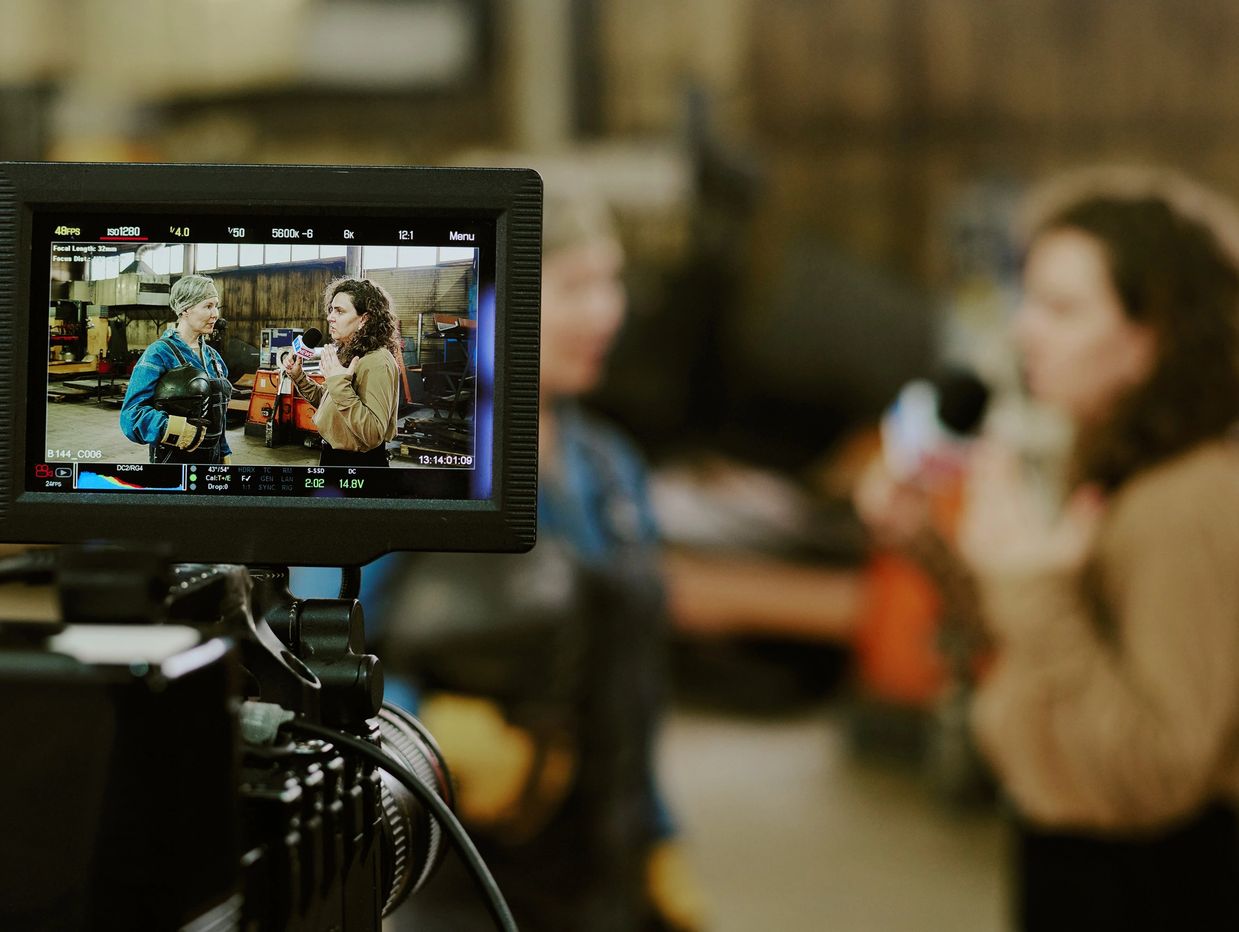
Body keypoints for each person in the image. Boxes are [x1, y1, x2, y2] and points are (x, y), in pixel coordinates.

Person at [377, 189, 703, 932]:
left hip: (599, 879)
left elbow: (634, 678)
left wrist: (655, 838)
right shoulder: (415, 463)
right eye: (575, 286)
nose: (606, 313)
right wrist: (423, 729)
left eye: (612, 281)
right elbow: (301, 649)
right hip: (456, 880)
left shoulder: (610, 466)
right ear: (491, 297)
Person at [956, 171, 1239, 930]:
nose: (1025, 331)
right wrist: (936, 545)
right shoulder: (1117, 468)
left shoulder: (1185, 505)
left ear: (1153, 338)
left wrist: (1031, 593)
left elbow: (1155, 771)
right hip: (1084, 861)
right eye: (1029, 299)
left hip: (1148, 885)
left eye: (1062, 308)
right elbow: (1060, 667)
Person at [283, 277, 401, 467]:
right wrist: (299, 377)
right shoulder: (350, 353)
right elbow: (331, 402)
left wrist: (338, 382)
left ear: (364, 319)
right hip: (332, 456)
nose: (330, 317)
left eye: (340, 311)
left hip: (359, 464)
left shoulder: (377, 361)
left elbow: (373, 434)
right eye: (331, 310)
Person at [119, 273, 232, 464]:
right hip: (172, 461)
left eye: (216, 306)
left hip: (212, 461)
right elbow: (131, 415)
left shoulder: (214, 358)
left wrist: (224, 452)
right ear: (185, 309)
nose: (215, 314)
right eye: (208, 306)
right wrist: (172, 428)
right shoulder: (159, 354)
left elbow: (218, 416)